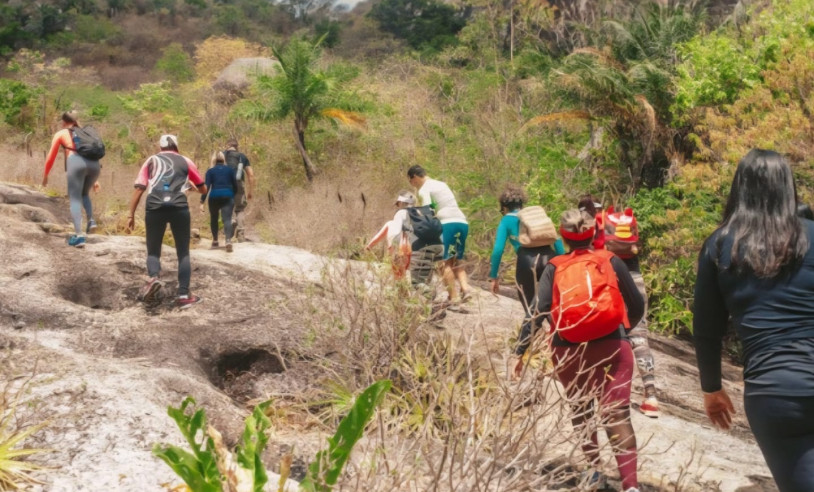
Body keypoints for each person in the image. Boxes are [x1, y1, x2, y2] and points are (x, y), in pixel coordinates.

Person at [693, 149, 814, 492]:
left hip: (776, 392)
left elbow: (706, 330)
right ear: (788, 187)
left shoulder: (719, 246)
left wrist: (712, 389)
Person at [513, 209, 645, 492]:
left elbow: (538, 310)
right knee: (617, 413)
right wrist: (623, 332)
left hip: (568, 349)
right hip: (613, 344)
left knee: (582, 408)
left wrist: (519, 350)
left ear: (563, 237)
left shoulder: (555, 266)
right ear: (595, 233)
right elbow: (636, 305)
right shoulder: (610, 261)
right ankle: (631, 486)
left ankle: (594, 472)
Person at [579, 194, 661, 418]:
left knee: (603, 332)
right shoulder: (618, 222)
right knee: (640, 336)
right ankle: (651, 396)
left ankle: (600, 389)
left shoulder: (591, 225)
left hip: (608, 278)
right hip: (635, 278)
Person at [126, 134, 207, 309]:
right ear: (176, 146)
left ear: (160, 147)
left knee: (153, 251)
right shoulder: (186, 161)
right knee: (183, 253)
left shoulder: (151, 160)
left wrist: (130, 215)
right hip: (179, 206)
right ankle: (184, 295)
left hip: (154, 206)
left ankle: (154, 279)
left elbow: (139, 188)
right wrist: (190, 188)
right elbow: (203, 189)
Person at [489, 185, 564, 341]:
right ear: (522, 203)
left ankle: (533, 341)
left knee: (531, 307)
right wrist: (563, 262)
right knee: (551, 302)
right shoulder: (534, 216)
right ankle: (561, 337)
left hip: (526, 261)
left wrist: (494, 276)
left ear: (504, 207)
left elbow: (498, 250)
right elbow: (556, 239)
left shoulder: (506, 220)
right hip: (549, 258)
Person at [407, 165, 470, 302]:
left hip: (448, 223)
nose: (413, 185)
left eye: (411, 182)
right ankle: (466, 290)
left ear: (415, 177)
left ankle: (454, 297)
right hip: (462, 222)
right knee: (457, 260)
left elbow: (427, 213)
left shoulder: (424, 189)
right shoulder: (441, 184)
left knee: (444, 262)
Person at [42, 110, 101, 248]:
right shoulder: (85, 133)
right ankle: (91, 221)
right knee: (84, 194)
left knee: (74, 198)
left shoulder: (61, 133)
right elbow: (90, 155)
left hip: (75, 163)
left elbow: (50, 157)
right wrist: (96, 181)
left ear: (63, 121)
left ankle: (79, 236)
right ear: (76, 120)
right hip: (95, 166)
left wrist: (45, 175)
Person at [365, 191, 443, 288]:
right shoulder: (418, 218)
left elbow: (379, 237)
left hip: (400, 248)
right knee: (418, 278)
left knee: (399, 276)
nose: (398, 206)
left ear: (401, 203)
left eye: (398, 204)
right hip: (416, 249)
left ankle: (402, 298)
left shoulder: (394, 220)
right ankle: (424, 293)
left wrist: (368, 247)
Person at [200, 152, 238, 253]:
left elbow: (206, 188)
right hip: (228, 196)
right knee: (227, 219)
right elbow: (235, 185)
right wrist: (232, 194)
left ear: (213, 160)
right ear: (223, 159)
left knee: (214, 218)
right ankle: (228, 240)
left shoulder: (210, 171)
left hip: (214, 197)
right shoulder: (230, 170)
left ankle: (215, 241)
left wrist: (202, 201)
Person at [222, 139, 254, 242]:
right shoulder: (242, 157)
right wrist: (250, 191)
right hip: (239, 183)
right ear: (237, 146)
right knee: (240, 209)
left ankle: (231, 221)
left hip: (224, 183)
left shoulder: (221, 155)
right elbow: (251, 175)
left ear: (227, 145)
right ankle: (241, 235)